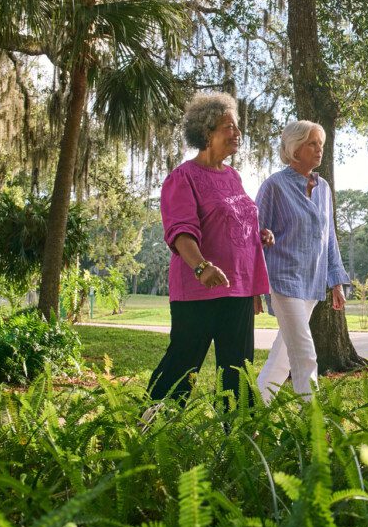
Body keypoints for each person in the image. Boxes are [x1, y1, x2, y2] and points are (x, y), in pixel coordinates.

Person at [146, 92, 273, 408]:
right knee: (182, 365)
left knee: (237, 370)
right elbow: (179, 231)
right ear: (206, 133)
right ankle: (149, 429)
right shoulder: (183, 177)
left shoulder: (233, 177)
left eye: (236, 126)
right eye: (228, 126)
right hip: (199, 290)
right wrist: (201, 266)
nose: (237, 133)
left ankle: (238, 440)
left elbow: (232, 223)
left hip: (238, 291)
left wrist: (258, 235)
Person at [255, 120, 350, 403]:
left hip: (312, 281)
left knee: (284, 355)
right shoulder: (274, 186)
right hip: (283, 279)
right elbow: (253, 235)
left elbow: (329, 236)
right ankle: (314, 426)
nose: (319, 149)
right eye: (312, 143)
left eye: (320, 143)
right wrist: (254, 288)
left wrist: (336, 281)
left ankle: (253, 411)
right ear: (295, 149)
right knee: (305, 352)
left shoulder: (323, 188)